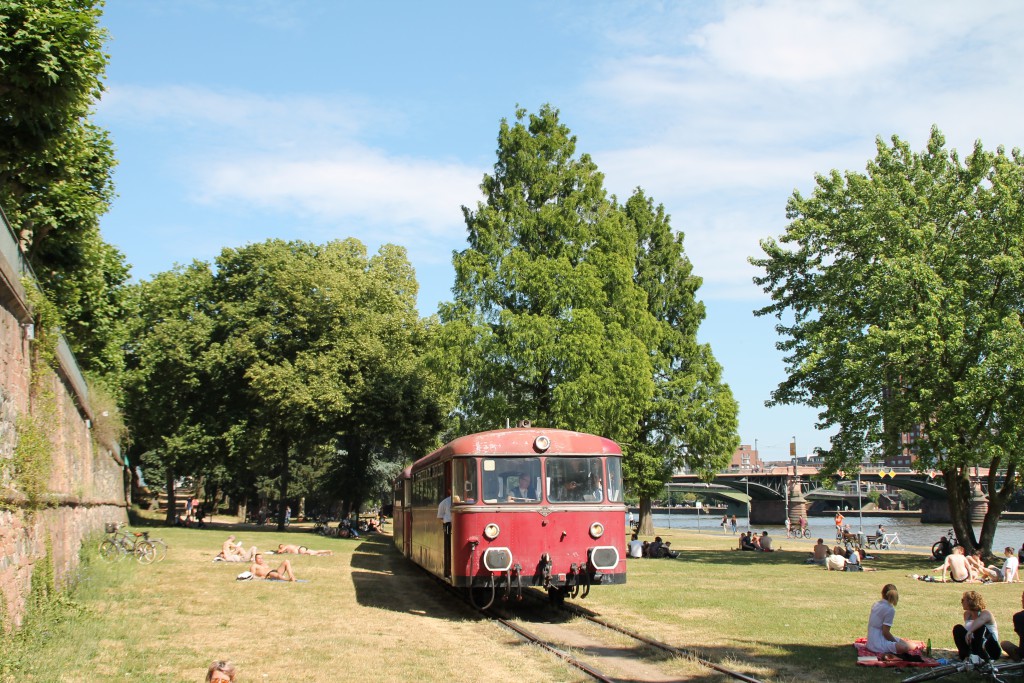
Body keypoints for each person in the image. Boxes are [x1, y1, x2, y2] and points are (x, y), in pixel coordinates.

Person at [953, 590, 1000, 661]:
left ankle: (981, 657)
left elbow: (980, 621)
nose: (961, 602)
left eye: (963, 600)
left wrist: (970, 631)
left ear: (970, 601)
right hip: (975, 645)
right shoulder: (967, 614)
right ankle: (966, 655)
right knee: (958, 628)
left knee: (980, 628)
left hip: (990, 648)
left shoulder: (986, 613)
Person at [866, 583, 911, 655]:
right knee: (905, 648)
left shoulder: (876, 604)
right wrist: (895, 642)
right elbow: (885, 633)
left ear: (882, 593)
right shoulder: (890, 609)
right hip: (877, 644)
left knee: (909, 645)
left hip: (871, 640)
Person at [1001, 590, 1024, 661]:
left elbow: (1020, 633)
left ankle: (1018, 658)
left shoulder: (1018, 617)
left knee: (1004, 643)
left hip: (1022, 653)